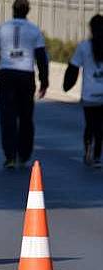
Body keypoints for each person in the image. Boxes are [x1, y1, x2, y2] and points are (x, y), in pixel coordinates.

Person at [0, 0, 49, 169]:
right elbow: (41, 57)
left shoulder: (3, 28)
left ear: (13, 10)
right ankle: (23, 154)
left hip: (7, 73)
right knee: (25, 117)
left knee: (7, 117)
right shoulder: (34, 29)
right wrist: (44, 81)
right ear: (27, 11)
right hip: (25, 75)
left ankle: (9, 156)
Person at [63, 14, 103, 168]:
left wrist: (66, 85)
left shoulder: (84, 46)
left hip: (89, 95)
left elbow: (73, 67)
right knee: (100, 126)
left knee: (90, 124)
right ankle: (98, 156)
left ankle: (88, 150)